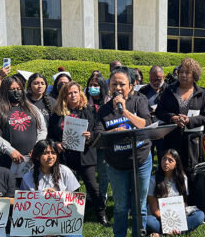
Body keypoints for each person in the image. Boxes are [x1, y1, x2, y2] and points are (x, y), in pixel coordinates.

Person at [95, 66, 152, 237]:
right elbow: (98, 135)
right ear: (109, 86)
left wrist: (125, 111)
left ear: (131, 85)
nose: (118, 88)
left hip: (140, 161)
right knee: (120, 207)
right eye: (114, 84)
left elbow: (146, 124)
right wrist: (112, 133)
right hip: (116, 165)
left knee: (139, 205)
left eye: (122, 84)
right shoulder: (104, 109)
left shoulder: (139, 101)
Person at [48, 81, 108, 225]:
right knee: (67, 187)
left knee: (92, 186)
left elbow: (96, 130)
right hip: (65, 156)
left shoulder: (89, 110)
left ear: (80, 93)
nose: (73, 95)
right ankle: (70, 214)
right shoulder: (57, 114)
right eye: (70, 93)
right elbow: (50, 135)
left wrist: (90, 136)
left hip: (85, 155)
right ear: (64, 96)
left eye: (75, 92)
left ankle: (101, 214)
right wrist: (56, 144)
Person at [156, 58, 205, 174]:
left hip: (192, 142)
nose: (183, 75)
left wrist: (189, 121)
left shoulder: (202, 93)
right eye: (181, 72)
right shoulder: (169, 90)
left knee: (190, 174)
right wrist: (172, 117)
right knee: (171, 172)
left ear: (194, 75)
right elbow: (159, 112)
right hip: (171, 138)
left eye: (187, 72)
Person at [0, 76, 47, 171]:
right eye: (12, 89)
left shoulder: (32, 108)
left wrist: (37, 148)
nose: (16, 92)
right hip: (7, 161)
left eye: (19, 89)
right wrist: (9, 150)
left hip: (33, 160)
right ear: (4, 91)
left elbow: (42, 128)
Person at [146, 149, 205, 235]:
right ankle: (175, 231)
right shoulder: (153, 180)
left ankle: (172, 231)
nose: (166, 162)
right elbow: (154, 208)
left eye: (170, 160)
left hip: (178, 216)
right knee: (148, 220)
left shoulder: (183, 179)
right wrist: (167, 222)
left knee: (200, 215)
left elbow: (183, 202)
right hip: (159, 217)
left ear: (176, 164)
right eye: (164, 159)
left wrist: (177, 221)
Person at [85, 72, 111, 226]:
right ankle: (90, 197)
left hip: (103, 143)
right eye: (91, 85)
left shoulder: (108, 102)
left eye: (96, 85)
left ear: (102, 87)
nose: (93, 88)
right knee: (89, 173)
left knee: (103, 171)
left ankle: (102, 196)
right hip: (87, 144)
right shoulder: (84, 101)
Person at [139, 65, 167, 158]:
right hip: (148, 128)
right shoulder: (143, 91)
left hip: (164, 128)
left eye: (158, 79)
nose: (155, 82)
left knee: (163, 154)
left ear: (164, 77)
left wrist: (160, 110)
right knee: (147, 155)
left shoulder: (169, 90)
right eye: (152, 80)